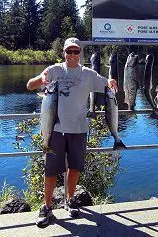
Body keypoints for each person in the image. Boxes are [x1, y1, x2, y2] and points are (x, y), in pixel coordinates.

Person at [26, 37, 117, 227]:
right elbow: (30, 85)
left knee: (74, 168)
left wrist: (112, 81)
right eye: (69, 51)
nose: (73, 55)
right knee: (50, 171)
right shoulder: (54, 70)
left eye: (76, 52)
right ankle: (47, 208)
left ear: (81, 53)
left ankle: (70, 200)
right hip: (55, 130)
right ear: (64, 53)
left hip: (79, 129)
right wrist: (40, 80)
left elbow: (107, 85)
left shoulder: (89, 74)